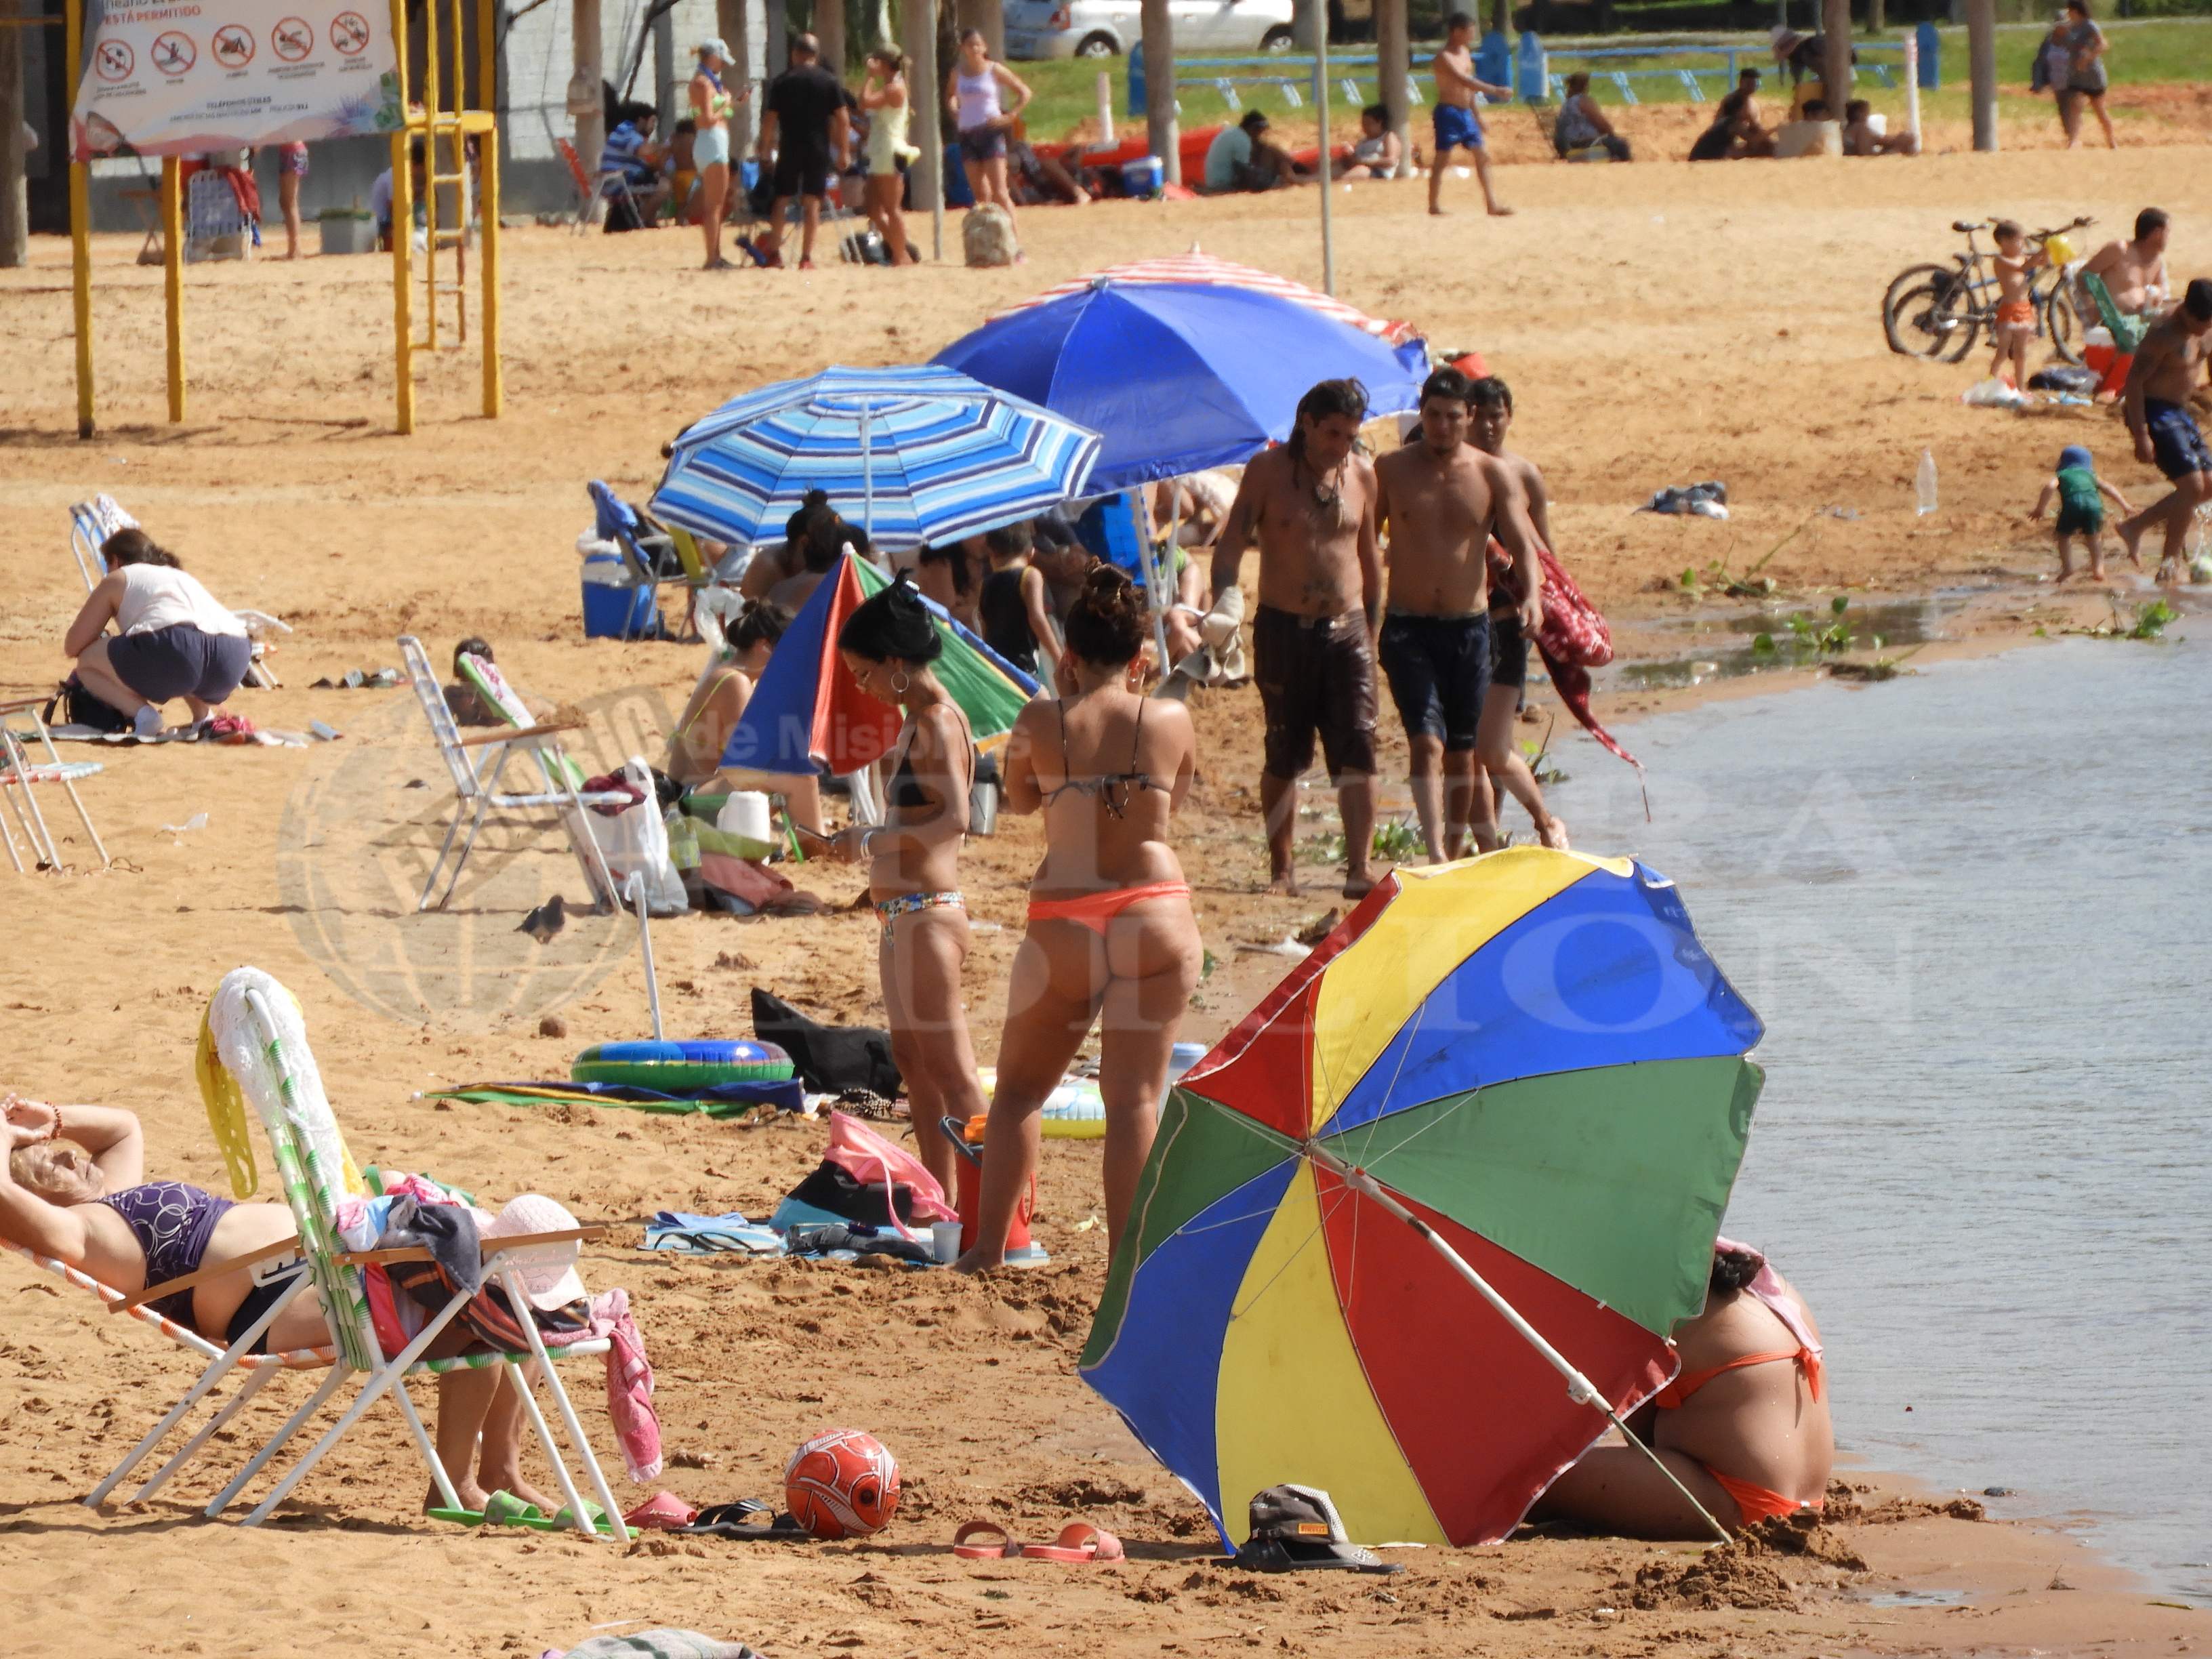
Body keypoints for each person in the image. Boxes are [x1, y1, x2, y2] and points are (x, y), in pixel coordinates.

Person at [1, 1097, 567, 1514]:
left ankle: (500, 1471)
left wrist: (47, 1119)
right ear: (31, 1198)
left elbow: (124, 1127)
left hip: (314, 1269)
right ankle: (457, 1485)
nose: (67, 1156)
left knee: (504, 1291)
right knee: (476, 1312)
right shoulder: (81, 1232)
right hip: (268, 1303)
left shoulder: (109, 1195)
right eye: (46, 1160)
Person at [956, 569, 1202, 1271]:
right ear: (1140, 659)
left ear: (1067, 655)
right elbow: (1176, 798)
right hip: (1152, 909)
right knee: (1133, 1102)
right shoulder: (1170, 718)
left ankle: (987, 1249)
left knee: (1019, 1093)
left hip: (1065, 915)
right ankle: (1126, 1268)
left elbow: (1020, 801)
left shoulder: (1039, 721)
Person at [815, 576, 989, 1194]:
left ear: (894, 663)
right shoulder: (916, 722)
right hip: (902, 915)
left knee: (954, 1072)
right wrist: (868, 840)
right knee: (916, 1066)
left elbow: (955, 819)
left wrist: (871, 841)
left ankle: (996, 1210)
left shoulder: (939, 721)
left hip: (928, 910)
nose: (861, 686)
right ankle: (941, 1200)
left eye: (863, 674)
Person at [1211, 378, 1382, 898]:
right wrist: (1225, 604)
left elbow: (1370, 559)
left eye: (1350, 435)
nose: (1341, 446)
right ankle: (1282, 872)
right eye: (1332, 433)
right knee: (1284, 748)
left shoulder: (1362, 475)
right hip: (1284, 628)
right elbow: (1230, 546)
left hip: (1348, 629)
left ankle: (1359, 868)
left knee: (1359, 743)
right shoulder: (1267, 472)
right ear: (1306, 422)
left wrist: (1373, 634)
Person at [1534, 1241, 1832, 1537]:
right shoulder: (1768, 1286)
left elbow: (1637, 1430)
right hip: (1807, 1500)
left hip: (1732, 1497)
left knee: (1533, 1481)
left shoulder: (1655, 1299)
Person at [1372, 369, 1544, 866]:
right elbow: (1365, 537)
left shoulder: (1492, 474)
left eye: (1452, 417)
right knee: (1427, 742)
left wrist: (1533, 595)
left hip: (1469, 629)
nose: (1442, 427)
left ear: (1469, 416)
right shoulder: (1392, 468)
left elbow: (1523, 544)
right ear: (1421, 415)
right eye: (1433, 416)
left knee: (1462, 754)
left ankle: (1453, 850)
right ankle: (1434, 854)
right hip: (1408, 626)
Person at [1467, 377, 1572, 852]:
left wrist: (1551, 607)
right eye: (1479, 416)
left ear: (1510, 417)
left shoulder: (1523, 474)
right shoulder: (1456, 470)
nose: (1488, 426)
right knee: (1469, 745)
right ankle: (1488, 841)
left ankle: (1521, 828)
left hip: (1508, 622)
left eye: (1497, 416)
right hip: (1462, 620)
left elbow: (1545, 552)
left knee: (1492, 742)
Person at [62, 529, 249, 739]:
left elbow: (73, 646)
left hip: (177, 648)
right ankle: (203, 718)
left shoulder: (119, 577)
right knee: (187, 646)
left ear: (116, 560)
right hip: (234, 655)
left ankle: (144, 717)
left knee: (87, 662)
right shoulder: (178, 575)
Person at [2116, 279, 2212, 583]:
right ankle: (2169, 565)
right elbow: (2134, 382)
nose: (2205, 329)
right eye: (2202, 323)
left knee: (2209, 485)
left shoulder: (2207, 328)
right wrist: (2141, 434)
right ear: (2187, 311)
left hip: (2180, 411)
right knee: (2192, 487)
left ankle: (2135, 526)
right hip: (2153, 409)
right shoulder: (2163, 333)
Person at [665, 603, 790, 787]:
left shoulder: (737, 676)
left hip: (702, 786)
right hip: (690, 792)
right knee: (797, 779)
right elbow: (750, 754)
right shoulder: (735, 682)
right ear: (763, 646)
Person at [758, 33, 850, 270]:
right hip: (817, 147)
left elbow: (770, 120)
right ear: (816, 55)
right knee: (812, 201)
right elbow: (843, 118)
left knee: (782, 199)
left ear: (795, 54)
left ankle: (774, 254)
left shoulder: (782, 82)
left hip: (790, 146)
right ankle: (806, 257)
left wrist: (765, 148)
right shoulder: (829, 81)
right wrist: (844, 151)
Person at [1429, 14, 1513, 217]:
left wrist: (1478, 116)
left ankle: (1492, 204)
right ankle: (1433, 205)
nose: (1472, 35)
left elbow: (1468, 89)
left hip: (1465, 112)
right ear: (1457, 32)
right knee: (1442, 159)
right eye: (1469, 31)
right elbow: (1464, 80)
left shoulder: (1465, 53)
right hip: (1448, 112)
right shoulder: (1444, 57)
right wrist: (1495, 90)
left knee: (1482, 155)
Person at [947, 28, 1031, 230]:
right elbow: (950, 95)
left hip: (990, 132)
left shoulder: (994, 69)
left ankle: (1014, 239)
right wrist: (954, 110)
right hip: (967, 133)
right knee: (980, 195)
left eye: (978, 45)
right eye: (970, 45)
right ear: (963, 48)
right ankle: (989, 238)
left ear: (985, 47)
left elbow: (1024, 92)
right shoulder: (958, 73)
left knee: (1000, 192)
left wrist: (1010, 116)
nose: (975, 49)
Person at [2030, 444, 2134, 581]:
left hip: (2072, 505)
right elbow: (2108, 488)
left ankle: (2068, 568)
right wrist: (2125, 506)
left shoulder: (2063, 474)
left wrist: (2040, 509)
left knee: (2064, 536)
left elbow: (2050, 486)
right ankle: (2098, 570)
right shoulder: (2091, 475)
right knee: (2095, 537)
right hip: (2094, 506)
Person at [977, 521, 1061, 682]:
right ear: (1031, 552)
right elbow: (1037, 618)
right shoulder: (1030, 575)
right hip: (1022, 664)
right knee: (1039, 696)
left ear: (991, 553)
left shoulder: (984, 584)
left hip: (997, 664)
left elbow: (984, 623)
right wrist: (1057, 655)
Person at [859, 47, 917, 266]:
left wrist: (870, 77)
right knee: (873, 207)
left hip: (889, 150)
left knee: (892, 207)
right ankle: (899, 248)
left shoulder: (895, 89)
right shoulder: (889, 87)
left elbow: (865, 102)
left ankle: (900, 255)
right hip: (879, 150)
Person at [689, 39, 741, 270]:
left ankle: (716, 255)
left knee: (716, 204)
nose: (722, 66)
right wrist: (726, 104)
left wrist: (731, 103)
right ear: (713, 57)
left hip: (709, 143)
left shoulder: (704, 82)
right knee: (714, 206)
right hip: (712, 142)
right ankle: (712, 258)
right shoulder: (703, 83)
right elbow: (708, 119)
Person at [2080, 209, 2172, 322]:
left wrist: (2158, 294)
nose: (2169, 238)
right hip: (2112, 323)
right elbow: (2084, 275)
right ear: (2157, 234)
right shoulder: (2120, 250)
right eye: (2168, 232)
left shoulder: (2157, 261)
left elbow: (2162, 288)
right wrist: (2089, 303)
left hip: (2143, 323)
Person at [1987, 220, 2045, 391]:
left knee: (2021, 353)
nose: (2022, 245)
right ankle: (1988, 383)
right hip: (2009, 310)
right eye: (2019, 241)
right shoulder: (2001, 260)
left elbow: (2043, 262)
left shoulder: (2022, 257)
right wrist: (2042, 251)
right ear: (2004, 242)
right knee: (2002, 352)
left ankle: (2021, 388)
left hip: (2024, 308)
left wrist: (2049, 251)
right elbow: (2023, 268)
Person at [599, 101, 671, 226]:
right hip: (616, 182)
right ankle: (640, 222)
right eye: (652, 122)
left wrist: (663, 154)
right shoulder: (628, 132)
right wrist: (665, 146)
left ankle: (648, 222)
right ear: (642, 120)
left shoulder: (626, 132)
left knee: (655, 181)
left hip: (617, 179)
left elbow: (651, 164)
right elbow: (643, 151)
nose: (653, 127)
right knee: (665, 186)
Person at [1204, 108, 1305, 194]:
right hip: (1224, 185)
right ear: (1253, 129)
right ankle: (1297, 175)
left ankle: (1295, 173)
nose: (1260, 136)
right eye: (1260, 132)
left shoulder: (1234, 133)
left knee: (1269, 152)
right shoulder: (1243, 141)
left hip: (1214, 182)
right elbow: (1246, 172)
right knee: (1271, 152)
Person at [2057, 0, 2114, 150]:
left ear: (2076, 11)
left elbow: (2103, 44)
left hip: (2092, 75)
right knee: (2074, 109)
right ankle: (2073, 141)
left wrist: (2088, 58)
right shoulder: (2071, 27)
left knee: (2099, 109)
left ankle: (2112, 141)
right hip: (2076, 74)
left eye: (2070, 11)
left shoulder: (2090, 25)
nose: (2068, 14)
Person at [1689, 70, 1775, 161]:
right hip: (1707, 156)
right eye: (1750, 84)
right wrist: (1775, 130)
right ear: (1740, 110)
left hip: (1707, 152)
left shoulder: (1726, 120)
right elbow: (1754, 140)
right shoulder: (1734, 124)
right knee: (1755, 151)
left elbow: (1755, 132)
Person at [1554, 74, 1631, 161]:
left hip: (1566, 144)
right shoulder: (1583, 100)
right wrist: (1611, 134)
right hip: (1581, 143)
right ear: (1585, 86)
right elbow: (1602, 124)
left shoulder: (1568, 103)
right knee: (1621, 145)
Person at [1333, 104, 1403, 180]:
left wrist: (1364, 162)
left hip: (1378, 171)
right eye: (1363, 124)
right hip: (1360, 167)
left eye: (1368, 123)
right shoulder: (1363, 141)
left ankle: (1339, 181)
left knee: (1361, 170)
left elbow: (1391, 161)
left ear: (1379, 123)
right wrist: (1350, 156)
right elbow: (1354, 161)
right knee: (1335, 165)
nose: (1365, 127)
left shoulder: (1388, 137)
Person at [1841, 99, 1917, 157]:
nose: (1867, 116)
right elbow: (1866, 153)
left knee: (1902, 141)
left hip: (1865, 158)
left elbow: (1880, 139)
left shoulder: (1848, 129)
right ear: (1860, 114)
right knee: (1904, 144)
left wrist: (1898, 138)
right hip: (1869, 161)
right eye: (1866, 113)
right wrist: (1903, 138)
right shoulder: (1861, 129)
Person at [275, 141, 308, 259]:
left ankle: (295, 250)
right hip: (291, 152)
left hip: (293, 152)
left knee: (290, 202)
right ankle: (293, 249)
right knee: (285, 202)